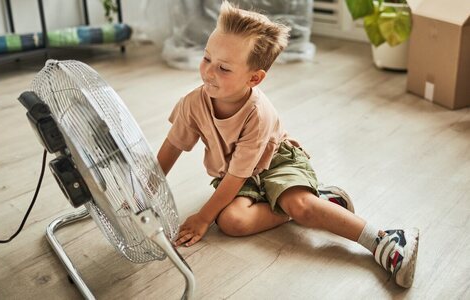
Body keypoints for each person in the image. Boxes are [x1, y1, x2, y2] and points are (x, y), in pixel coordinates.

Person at [156, 0, 419, 288]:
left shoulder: (258, 113)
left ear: (254, 78)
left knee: (302, 207)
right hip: (236, 172)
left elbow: (237, 177)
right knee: (232, 222)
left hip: (276, 160)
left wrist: (204, 217)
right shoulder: (193, 104)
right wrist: (144, 190)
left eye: (224, 68)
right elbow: (173, 146)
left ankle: (385, 240)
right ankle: (321, 201)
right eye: (207, 59)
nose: (209, 72)